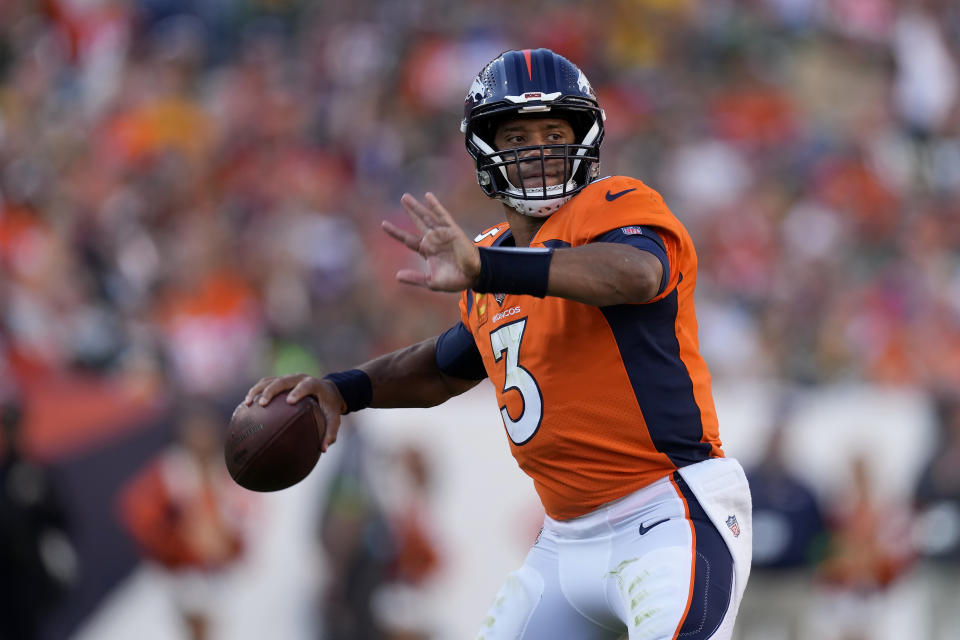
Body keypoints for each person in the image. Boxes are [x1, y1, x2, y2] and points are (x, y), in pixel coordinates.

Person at [244, 48, 753, 639]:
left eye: (553, 131)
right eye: (516, 135)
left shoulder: (615, 206)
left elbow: (634, 275)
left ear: (584, 139)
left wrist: (489, 267)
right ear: (487, 150)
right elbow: (443, 367)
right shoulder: (491, 260)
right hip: (565, 540)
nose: (537, 149)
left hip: (669, 514)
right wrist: (341, 389)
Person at [117, 398, 254, 640]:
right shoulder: (166, 473)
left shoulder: (228, 473)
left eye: (208, 429)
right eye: (197, 429)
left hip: (226, 576)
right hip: (181, 576)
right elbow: (137, 513)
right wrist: (181, 540)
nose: (203, 436)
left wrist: (229, 544)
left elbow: (248, 522)